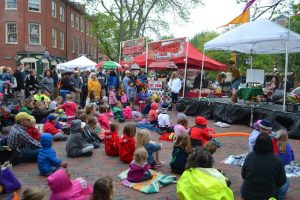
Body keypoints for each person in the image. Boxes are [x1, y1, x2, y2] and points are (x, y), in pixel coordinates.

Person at [241, 134, 288, 200]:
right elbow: (282, 181)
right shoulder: (277, 160)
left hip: (247, 194)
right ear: (270, 145)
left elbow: (243, 175)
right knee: (287, 182)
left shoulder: (249, 156)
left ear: (256, 144)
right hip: (268, 197)